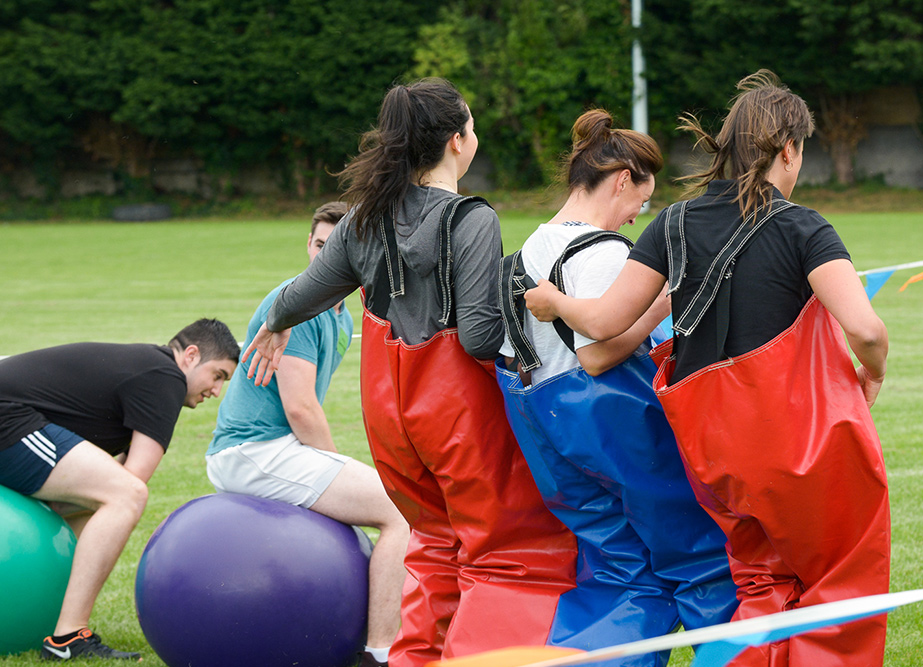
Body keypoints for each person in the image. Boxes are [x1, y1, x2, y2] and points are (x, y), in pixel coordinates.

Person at [525, 71, 890, 666]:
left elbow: (603, 323)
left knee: (757, 581)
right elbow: (866, 328)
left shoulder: (671, 224)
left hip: (714, 448)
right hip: (802, 442)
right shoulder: (805, 227)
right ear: (788, 149)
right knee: (838, 585)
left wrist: (554, 303)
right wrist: (872, 369)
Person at [242, 78, 577, 667]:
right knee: (506, 552)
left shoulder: (363, 218)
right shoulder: (470, 218)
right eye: (472, 127)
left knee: (433, 545)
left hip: (391, 419)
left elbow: (303, 293)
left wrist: (275, 322)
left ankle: (413, 658)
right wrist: (524, 301)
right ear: (457, 140)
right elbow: (477, 337)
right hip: (456, 419)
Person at [496, 109, 737, 666]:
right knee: (700, 561)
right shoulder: (602, 253)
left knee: (618, 570)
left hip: (538, 417)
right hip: (608, 420)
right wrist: (667, 293)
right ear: (623, 179)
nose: (635, 220)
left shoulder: (533, 244)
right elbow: (600, 352)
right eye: (641, 203)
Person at [205, 201, 409, 667]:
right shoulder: (299, 303)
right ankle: (379, 652)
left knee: (390, 497)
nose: (323, 258)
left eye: (334, 248)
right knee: (401, 508)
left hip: (272, 450)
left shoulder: (339, 314)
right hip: (252, 451)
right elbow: (300, 408)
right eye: (318, 245)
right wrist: (337, 466)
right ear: (309, 245)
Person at [0, 319, 240, 662]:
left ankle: (46, 614)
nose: (216, 391)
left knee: (103, 500)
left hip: (17, 418)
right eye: (218, 375)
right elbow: (133, 481)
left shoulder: (149, 369)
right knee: (126, 496)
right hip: (7, 417)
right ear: (190, 355)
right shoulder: (165, 377)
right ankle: (68, 636)